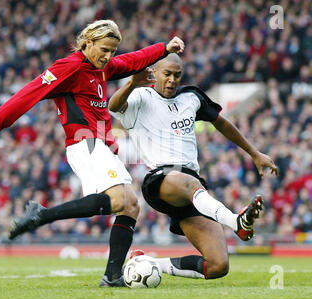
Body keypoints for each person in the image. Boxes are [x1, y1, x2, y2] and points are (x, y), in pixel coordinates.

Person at [0, 20, 184, 287]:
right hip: (84, 142)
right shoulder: (69, 67)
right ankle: (42, 214)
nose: (108, 56)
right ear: (88, 43)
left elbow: (132, 60)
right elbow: (30, 92)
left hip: (99, 145)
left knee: (130, 206)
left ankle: (112, 275)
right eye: (104, 49)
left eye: (112, 51)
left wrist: (164, 49)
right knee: (121, 199)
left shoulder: (102, 68)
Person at [108, 53, 279, 280]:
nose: (172, 80)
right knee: (188, 181)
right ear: (154, 73)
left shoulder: (192, 96)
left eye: (177, 75)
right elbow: (114, 106)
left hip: (190, 187)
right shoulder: (141, 96)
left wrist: (254, 153)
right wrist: (131, 83)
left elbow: (221, 123)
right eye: (167, 74)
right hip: (161, 179)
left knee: (218, 265)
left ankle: (146, 263)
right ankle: (236, 222)